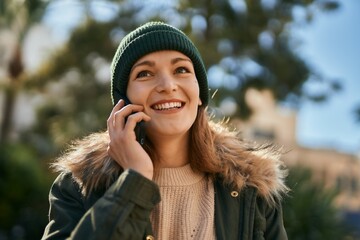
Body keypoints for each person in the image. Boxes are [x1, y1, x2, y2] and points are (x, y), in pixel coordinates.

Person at [42, 21, 288, 240]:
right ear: (122, 101)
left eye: (181, 70)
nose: (168, 86)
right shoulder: (78, 185)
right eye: (145, 73)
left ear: (200, 93)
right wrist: (135, 181)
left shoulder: (252, 188)